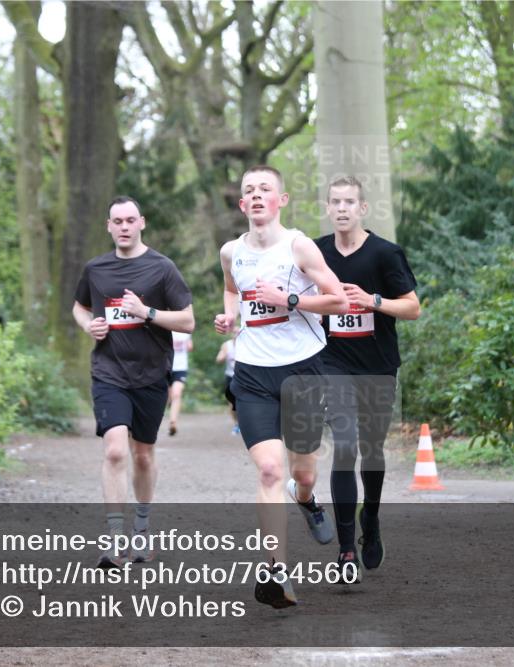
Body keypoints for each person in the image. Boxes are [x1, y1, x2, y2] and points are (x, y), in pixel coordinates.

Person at [214, 165, 348, 608]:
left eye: (264, 190)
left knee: (302, 473)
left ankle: (306, 499)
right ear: (241, 204)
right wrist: (230, 315)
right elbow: (232, 289)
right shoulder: (231, 251)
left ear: (281, 200)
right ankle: (277, 572)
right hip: (252, 372)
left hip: (303, 370)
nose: (256, 196)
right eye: (248, 191)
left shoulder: (299, 247)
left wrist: (289, 299)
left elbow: (339, 300)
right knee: (270, 469)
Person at [73, 195, 194, 568]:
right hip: (109, 372)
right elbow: (79, 307)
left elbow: (188, 320)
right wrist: (88, 325)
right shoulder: (96, 270)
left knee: (143, 454)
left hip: (151, 374)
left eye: (130, 220)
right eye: (117, 221)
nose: (124, 227)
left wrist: (148, 312)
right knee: (114, 450)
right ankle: (114, 540)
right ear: (109, 226)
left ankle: (141, 530)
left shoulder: (162, 268)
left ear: (141, 223)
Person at [315, 176, 420, 582]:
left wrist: (372, 301)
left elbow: (413, 308)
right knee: (345, 446)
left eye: (349, 202)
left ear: (362, 209)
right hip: (333, 363)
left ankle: (370, 519)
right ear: (328, 208)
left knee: (371, 449)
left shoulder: (385, 253)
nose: (342, 208)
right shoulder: (317, 251)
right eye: (335, 201)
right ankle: (345, 552)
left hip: (377, 366)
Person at [215, 326, 240, 435]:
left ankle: (245, 424)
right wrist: (223, 356)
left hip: (244, 377)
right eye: (234, 332)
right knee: (232, 403)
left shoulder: (247, 345)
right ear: (231, 334)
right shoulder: (226, 345)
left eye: (238, 332)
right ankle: (236, 424)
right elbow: (218, 359)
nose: (236, 334)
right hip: (230, 376)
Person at [167, 331, 193, 436]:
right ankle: (170, 408)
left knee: (176, 393)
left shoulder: (185, 330)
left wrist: (188, 345)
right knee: (168, 397)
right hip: (166, 367)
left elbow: (190, 346)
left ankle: (173, 423)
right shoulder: (166, 328)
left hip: (180, 367)